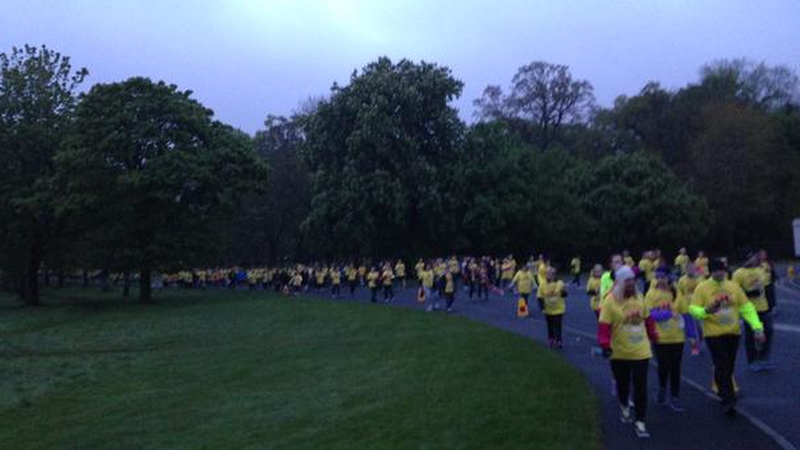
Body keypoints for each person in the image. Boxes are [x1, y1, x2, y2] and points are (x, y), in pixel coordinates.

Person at [689, 258, 764, 417]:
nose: (720, 274)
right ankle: (729, 399)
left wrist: (757, 327)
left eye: (722, 271)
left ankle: (721, 387)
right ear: (711, 271)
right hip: (714, 334)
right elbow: (693, 309)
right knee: (722, 364)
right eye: (716, 271)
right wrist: (706, 311)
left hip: (733, 332)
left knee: (727, 365)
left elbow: (746, 307)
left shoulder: (733, 286)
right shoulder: (702, 288)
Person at [597, 266, 659, 439]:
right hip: (619, 351)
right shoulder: (610, 301)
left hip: (641, 351)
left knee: (641, 387)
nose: (632, 284)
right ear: (620, 283)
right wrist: (604, 344)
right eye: (628, 281)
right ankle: (624, 403)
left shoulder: (640, 297)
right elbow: (604, 327)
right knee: (622, 384)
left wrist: (654, 336)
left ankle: (640, 421)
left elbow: (648, 320)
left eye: (633, 280)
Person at [645, 267, 687, 412]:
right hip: (660, 338)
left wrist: (693, 336)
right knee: (663, 366)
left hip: (677, 338)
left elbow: (685, 313)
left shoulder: (676, 293)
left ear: (668, 277)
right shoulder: (651, 294)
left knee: (676, 368)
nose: (660, 280)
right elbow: (648, 315)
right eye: (658, 277)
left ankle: (675, 396)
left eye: (663, 277)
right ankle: (662, 388)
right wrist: (666, 314)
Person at [733, 253, 774, 371]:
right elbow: (735, 293)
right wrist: (749, 294)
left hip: (764, 307)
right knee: (751, 336)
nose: (754, 259)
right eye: (751, 257)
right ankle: (752, 361)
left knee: (768, 331)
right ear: (746, 259)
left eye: (754, 257)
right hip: (749, 310)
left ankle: (764, 358)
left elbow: (767, 287)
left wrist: (772, 304)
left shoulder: (760, 270)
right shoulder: (738, 273)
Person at [677, 263, 705, 356]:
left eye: (692, 269)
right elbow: (679, 294)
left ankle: (700, 342)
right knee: (690, 329)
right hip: (686, 307)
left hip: (698, 307)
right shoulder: (681, 280)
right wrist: (678, 307)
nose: (690, 271)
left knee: (699, 328)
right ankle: (695, 348)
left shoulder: (699, 279)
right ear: (685, 270)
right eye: (688, 269)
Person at [538, 267, 568, 348]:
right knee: (550, 325)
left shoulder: (560, 283)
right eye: (548, 273)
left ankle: (559, 340)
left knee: (558, 325)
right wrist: (542, 308)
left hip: (559, 309)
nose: (549, 275)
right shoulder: (543, 284)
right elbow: (540, 297)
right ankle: (551, 338)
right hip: (548, 310)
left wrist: (563, 291)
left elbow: (565, 295)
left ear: (555, 275)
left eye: (552, 273)